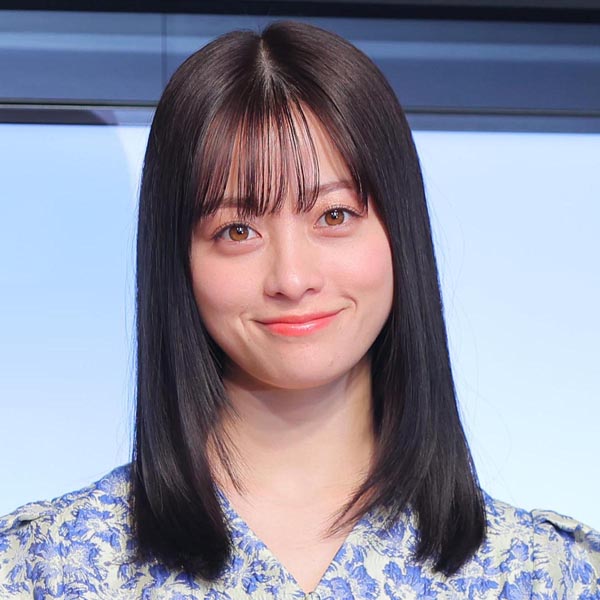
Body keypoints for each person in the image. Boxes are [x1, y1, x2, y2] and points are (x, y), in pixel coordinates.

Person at [1, 20, 598, 600]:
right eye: (237, 230)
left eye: (333, 216)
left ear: (402, 233)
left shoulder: (551, 576)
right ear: (177, 259)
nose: (291, 278)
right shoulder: (42, 571)